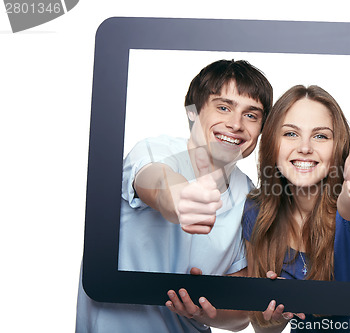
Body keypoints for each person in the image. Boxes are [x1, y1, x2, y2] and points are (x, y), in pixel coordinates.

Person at [75, 59, 273, 332]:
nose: (235, 123)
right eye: (223, 107)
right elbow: (155, 180)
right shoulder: (156, 150)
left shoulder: (251, 199)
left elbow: (241, 315)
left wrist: (204, 313)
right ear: (193, 111)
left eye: (251, 115)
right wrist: (179, 198)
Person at [241, 85, 350, 332]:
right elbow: (264, 329)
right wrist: (276, 316)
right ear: (272, 143)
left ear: (338, 147)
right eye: (290, 134)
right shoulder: (256, 212)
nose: (305, 147)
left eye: (320, 136)